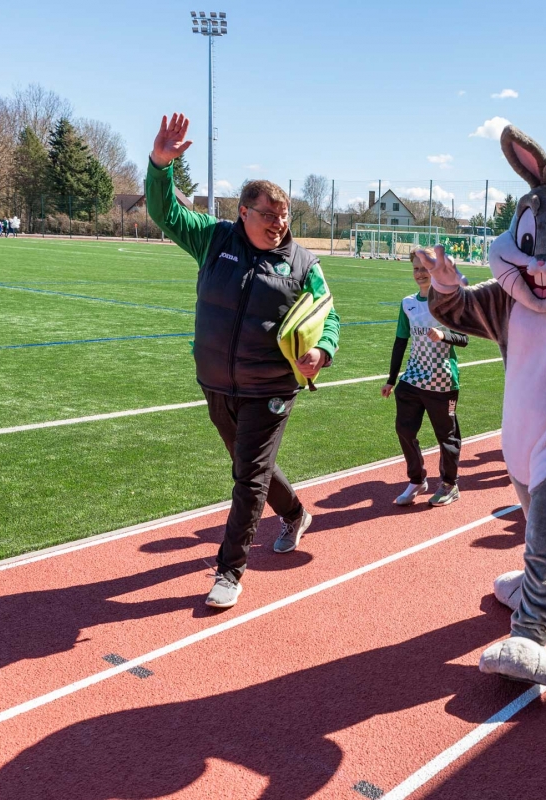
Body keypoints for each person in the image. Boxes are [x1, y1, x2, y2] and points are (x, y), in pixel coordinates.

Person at [145, 113, 340, 609]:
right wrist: (160, 166)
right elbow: (166, 212)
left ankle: (229, 570)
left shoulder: (303, 265)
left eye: (285, 216)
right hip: (215, 381)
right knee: (248, 466)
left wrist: (323, 350)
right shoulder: (214, 240)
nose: (280, 224)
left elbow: (329, 317)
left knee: (248, 477)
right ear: (243, 213)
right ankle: (295, 512)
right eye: (270, 215)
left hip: (271, 388)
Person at [382, 247, 467, 508]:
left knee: (447, 435)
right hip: (413, 379)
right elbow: (400, 341)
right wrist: (392, 379)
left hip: (443, 381)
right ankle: (417, 479)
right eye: (416, 269)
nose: (420, 273)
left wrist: (444, 335)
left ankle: (450, 484)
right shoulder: (407, 303)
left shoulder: (448, 301)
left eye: (425, 268)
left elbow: (463, 338)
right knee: (404, 429)